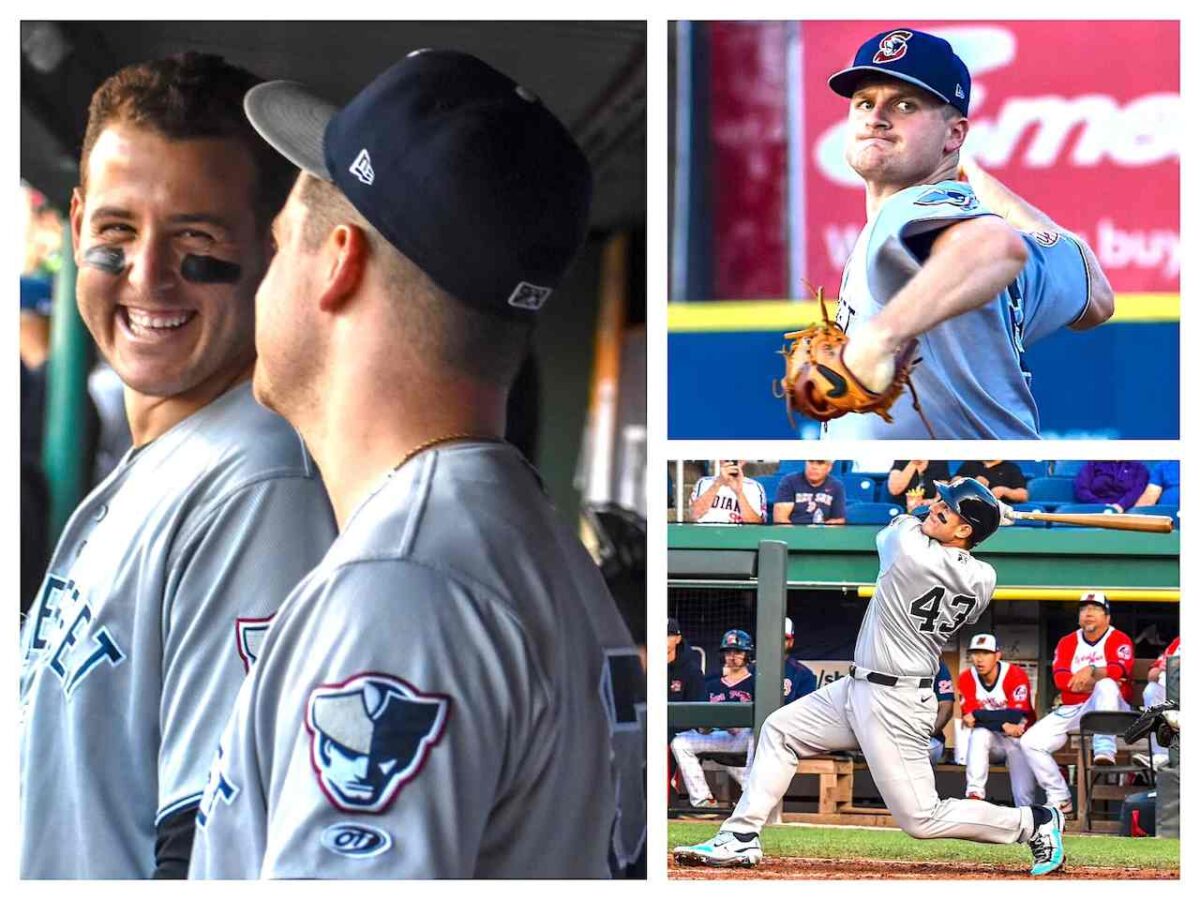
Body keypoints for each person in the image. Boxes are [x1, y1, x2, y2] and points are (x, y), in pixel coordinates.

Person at [188, 50, 644, 878]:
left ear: (337, 263)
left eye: (281, 240)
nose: (261, 273)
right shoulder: (525, 550)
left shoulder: (404, 588)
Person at [18, 54, 339, 880]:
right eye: (118, 232)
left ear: (271, 249)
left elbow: (208, 854)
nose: (149, 275)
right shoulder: (168, 462)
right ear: (80, 220)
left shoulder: (259, 487)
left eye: (196, 238)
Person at [674, 478, 1066, 876]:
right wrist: (965, 513)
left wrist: (946, 508)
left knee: (920, 818)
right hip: (859, 688)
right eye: (938, 502)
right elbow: (951, 542)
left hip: (896, 701)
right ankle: (740, 836)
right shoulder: (985, 579)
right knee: (779, 730)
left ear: (965, 530)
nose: (933, 506)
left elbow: (904, 522)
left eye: (944, 508)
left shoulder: (909, 550)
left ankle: (1032, 822)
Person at [817, 28, 1112, 439]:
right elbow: (1097, 298)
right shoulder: (966, 230)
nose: (876, 118)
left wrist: (879, 336)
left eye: (904, 105)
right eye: (865, 102)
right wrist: (993, 193)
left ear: (955, 134)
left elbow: (995, 247)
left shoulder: (907, 211)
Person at [1020, 592, 1134, 814]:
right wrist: (1099, 676)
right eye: (1084, 609)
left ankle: (1104, 748)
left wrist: (1090, 672)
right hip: (1075, 708)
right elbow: (1062, 681)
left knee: (1107, 686)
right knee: (1030, 742)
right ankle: (1060, 797)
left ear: (1107, 617)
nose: (1088, 613)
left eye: (1095, 609)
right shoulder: (1068, 642)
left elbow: (1120, 672)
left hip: (1115, 708)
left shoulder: (1119, 639)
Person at [671, 630, 756, 809]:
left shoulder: (755, 682)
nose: (732, 657)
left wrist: (743, 724)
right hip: (718, 736)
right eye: (728, 652)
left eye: (738, 652)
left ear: (748, 655)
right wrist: (705, 727)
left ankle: (751, 796)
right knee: (680, 742)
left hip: (744, 738)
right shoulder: (712, 684)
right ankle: (703, 799)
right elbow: (701, 718)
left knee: (754, 736)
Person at [958, 634, 1037, 805]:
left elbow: (1016, 715)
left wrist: (980, 715)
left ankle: (1026, 816)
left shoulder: (1015, 675)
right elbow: (970, 720)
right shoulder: (966, 678)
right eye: (975, 653)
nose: (979, 659)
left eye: (985, 653)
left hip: (1018, 738)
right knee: (979, 734)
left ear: (997, 655)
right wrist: (1002, 723)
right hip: (992, 740)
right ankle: (974, 794)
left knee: (1024, 798)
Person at [1140, 636, 1179, 767]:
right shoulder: (1179, 642)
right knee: (1152, 690)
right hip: (1176, 701)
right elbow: (1152, 674)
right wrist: (1162, 671)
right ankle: (1160, 755)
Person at [690, 460, 766, 523]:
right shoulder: (704, 482)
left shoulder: (754, 487)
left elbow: (756, 524)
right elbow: (694, 515)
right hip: (706, 535)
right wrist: (718, 483)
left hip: (739, 537)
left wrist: (739, 493)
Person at [773, 460, 846, 525]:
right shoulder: (789, 482)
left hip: (822, 535)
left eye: (820, 463)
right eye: (811, 462)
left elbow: (838, 520)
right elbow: (780, 519)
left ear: (829, 467)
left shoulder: (836, 486)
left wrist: (821, 531)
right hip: (794, 533)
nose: (814, 467)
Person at [1072, 461, 1149, 512]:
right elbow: (1081, 488)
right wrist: (1100, 506)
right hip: (1094, 507)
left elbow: (1137, 490)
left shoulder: (1139, 468)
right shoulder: (1093, 463)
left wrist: (1121, 506)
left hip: (1125, 510)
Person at [669, 617, 706, 704]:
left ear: (678, 639)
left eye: (668, 635)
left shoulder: (692, 671)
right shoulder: (646, 668)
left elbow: (698, 710)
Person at [954, 460, 1028, 503]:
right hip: (968, 503)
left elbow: (1023, 495)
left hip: (998, 506)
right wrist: (971, 483)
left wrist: (1004, 491)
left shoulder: (1011, 467)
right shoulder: (970, 464)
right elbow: (953, 482)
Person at [782, 617, 818, 703]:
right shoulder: (753, 669)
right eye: (775, 637)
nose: (778, 641)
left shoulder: (803, 674)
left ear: (791, 642)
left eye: (784, 638)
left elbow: (804, 710)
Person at [928, 658, 955, 764]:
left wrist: (930, 732)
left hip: (928, 739)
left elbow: (946, 707)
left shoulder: (937, 665)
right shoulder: (888, 663)